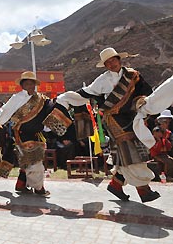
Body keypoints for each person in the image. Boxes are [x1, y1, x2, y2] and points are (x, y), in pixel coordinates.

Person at [52, 47, 160, 203]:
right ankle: (144, 190)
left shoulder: (133, 75)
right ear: (105, 65)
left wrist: (142, 106)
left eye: (113, 60)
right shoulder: (102, 80)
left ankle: (116, 184)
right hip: (114, 121)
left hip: (133, 119)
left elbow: (147, 94)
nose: (111, 64)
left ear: (119, 59)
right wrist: (65, 98)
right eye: (107, 62)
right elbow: (85, 93)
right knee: (132, 152)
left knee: (127, 153)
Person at [0, 71, 60, 196]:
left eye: (32, 83)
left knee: (29, 160)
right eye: (27, 83)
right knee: (34, 162)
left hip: (37, 135)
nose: (30, 86)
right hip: (22, 135)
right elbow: (2, 113)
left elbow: (47, 113)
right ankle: (38, 188)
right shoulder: (16, 98)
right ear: (22, 85)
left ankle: (21, 184)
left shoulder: (41, 99)